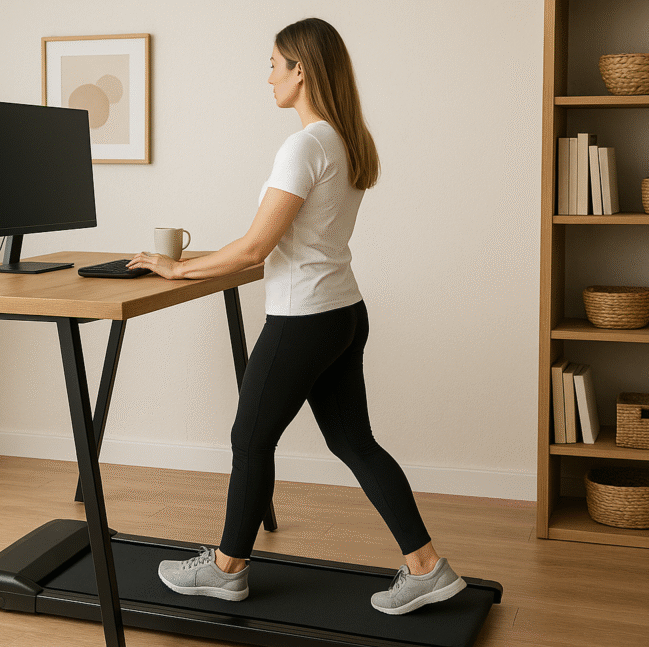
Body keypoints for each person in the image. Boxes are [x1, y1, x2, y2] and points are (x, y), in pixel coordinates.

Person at [126, 17, 466, 615]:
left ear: (301, 70)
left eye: (275, 65)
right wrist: (195, 261)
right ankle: (427, 567)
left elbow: (257, 248)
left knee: (249, 438)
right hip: (342, 311)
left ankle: (228, 569)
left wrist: (176, 269)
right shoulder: (342, 140)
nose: (269, 78)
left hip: (303, 318)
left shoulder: (305, 145)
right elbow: (283, 243)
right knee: (354, 441)